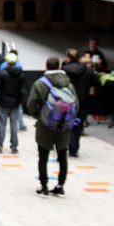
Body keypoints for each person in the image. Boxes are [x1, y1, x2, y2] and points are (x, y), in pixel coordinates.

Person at [27, 57, 78, 197]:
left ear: (46, 66)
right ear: (60, 66)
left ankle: (44, 187)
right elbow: (76, 104)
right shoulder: (69, 84)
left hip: (45, 126)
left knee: (43, 156)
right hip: (64, 126)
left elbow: (31, 104)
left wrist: (40, 116)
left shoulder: (40, 83)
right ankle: (60, 186)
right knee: (62, 156)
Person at [63, 48, 95, 157]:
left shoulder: (64, 70)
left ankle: (64, 145)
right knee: (77, 126)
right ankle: (74, 148)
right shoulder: (88, 71)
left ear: (68, 57)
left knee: (65, 124)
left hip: (67, 102)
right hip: (83, 102)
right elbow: (94, 84)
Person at [0, 53, 26, 154]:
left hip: (4, 103)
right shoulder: (21, 75)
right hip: (15, 103)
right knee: (14, 125)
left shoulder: (2, 74)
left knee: (2, 125)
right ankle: (14, 147)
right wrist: (19, 101)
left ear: (7, 62)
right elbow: (23, 90)